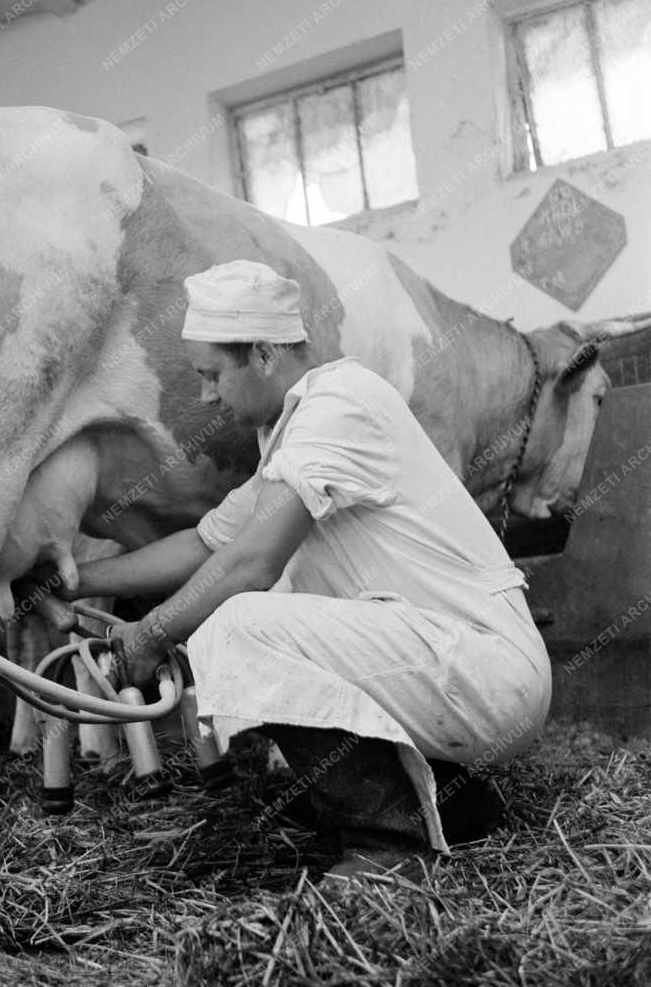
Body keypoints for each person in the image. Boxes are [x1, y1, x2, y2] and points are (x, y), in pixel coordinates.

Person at [45, 259, 552, 879]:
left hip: (486, 673)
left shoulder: (339, 405)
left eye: (211, 375)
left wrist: (152, 633)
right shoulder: (292, 438)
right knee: (242, 603)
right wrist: (70, 579)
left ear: (262, 353)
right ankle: (458, 805)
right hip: (441, 664)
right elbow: (203, 546)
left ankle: (390, 846)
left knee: (239, 621)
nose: (206, 396)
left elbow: (251, 564)